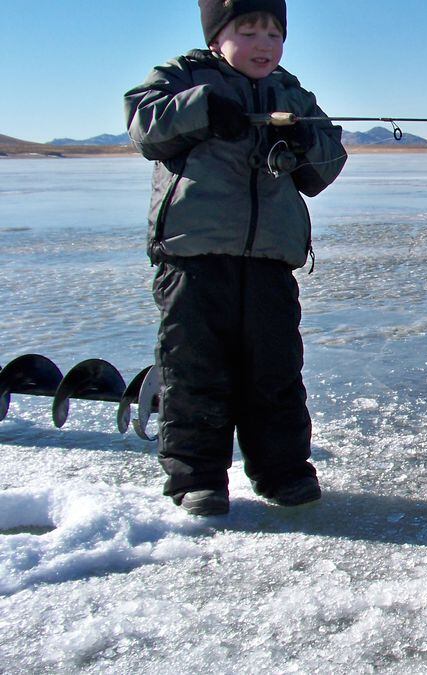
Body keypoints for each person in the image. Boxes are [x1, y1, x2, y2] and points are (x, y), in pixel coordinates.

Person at [124, 0, 346, 516]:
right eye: (249, 32)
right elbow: (142, 123)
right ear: (217, 35)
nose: (264, 45)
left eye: (274, 34)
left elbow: (327, 164)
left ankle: (284, 472)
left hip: (270, 259)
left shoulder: (291, 92)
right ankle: (197, 479)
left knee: (276, 370)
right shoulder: (184, 76)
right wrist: (203, 108)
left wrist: (303, 138)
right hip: (194, 257)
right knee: (195, 368)